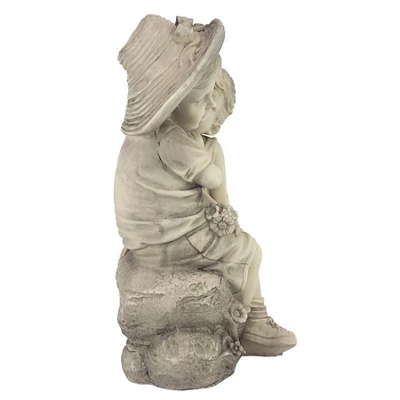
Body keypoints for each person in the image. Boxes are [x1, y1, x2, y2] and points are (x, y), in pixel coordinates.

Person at [115, 15, 296, 356]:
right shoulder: (172, 139)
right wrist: (214, 171)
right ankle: (250, 320)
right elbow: (212, 180)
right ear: (169, 104)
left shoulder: (151, 138)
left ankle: (243, 317)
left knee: (237, 245)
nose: (210, 107)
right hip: (171, 241)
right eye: (201, 101)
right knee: (250, 250)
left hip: (151, 239)